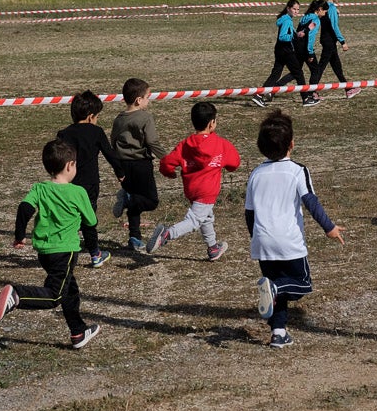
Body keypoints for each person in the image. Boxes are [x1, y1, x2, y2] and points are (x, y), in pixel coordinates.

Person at [245, 110, 345, 348]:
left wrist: (255, 236)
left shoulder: (255, 173)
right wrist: (329, 228)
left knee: (274, 291)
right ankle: (276, 289)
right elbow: (310, 200)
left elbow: (249, 213)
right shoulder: (297, 170)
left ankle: (278, 333)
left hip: (262, 241)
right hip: (288, 242)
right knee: (301, 284)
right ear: (292, 144)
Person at [0, 139, 100, 350]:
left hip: (44, 252)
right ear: (70, 165)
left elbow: (24, 208)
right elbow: (91, 222)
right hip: (65, 251)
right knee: (55, 295)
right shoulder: (78, 193)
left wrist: (19, 235)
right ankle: (17, 295)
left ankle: (78, 331)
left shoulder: (40, 189)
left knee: (70, 290)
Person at [148, 102, 241, 260]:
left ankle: (213, 247)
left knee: (206, 217)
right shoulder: (221, 144)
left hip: (192, 189)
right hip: (207, 192)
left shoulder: (185, 145)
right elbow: (235, 163)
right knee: (194, 220)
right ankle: (167, 234)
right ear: (212, 123)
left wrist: (169, 173)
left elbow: (165, 162)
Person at [57, 90, 124, 268]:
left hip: (68, 182)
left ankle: (66, 250)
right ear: (90, 116)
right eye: (97, 116)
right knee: (88, 217)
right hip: (89, 183)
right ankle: (95, 254)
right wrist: (120, 172)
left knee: (69, 215)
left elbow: (58, 157)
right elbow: (110, 154)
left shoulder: (64, 134)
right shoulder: (96, 132)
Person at [110, 78, 167, 251]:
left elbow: (113, 140)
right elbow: (152, 141)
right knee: (150, 201)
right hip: (141, 164)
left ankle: (134, 237)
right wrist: (166, 158)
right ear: (138, 100)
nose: (149, 100)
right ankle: (127, 199)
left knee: (135, 200)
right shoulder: (145, 117)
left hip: (123, 164)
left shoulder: (119, 119)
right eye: (147, 97)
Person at [252, 0, 313, 108]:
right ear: (288, 8)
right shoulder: (287, 20)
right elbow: (282, 36)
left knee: (276, 74)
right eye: (294, 9)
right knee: (298, 73)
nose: (296, 11)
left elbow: (290, 34)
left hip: (280, 50)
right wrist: (295, 36)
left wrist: (299, 33)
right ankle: (306, 98)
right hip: (286, 51)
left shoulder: (286, 19)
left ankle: (259, 95)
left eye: (298, 10)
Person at [311, 0, 361, 100]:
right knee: (321, 67)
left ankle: (348, 89)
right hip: (329, 41)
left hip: (326, 40)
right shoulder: (331, 8)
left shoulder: (324, 6)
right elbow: (334, 26)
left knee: (337, 67)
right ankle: (312, 92)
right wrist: (342, 41)